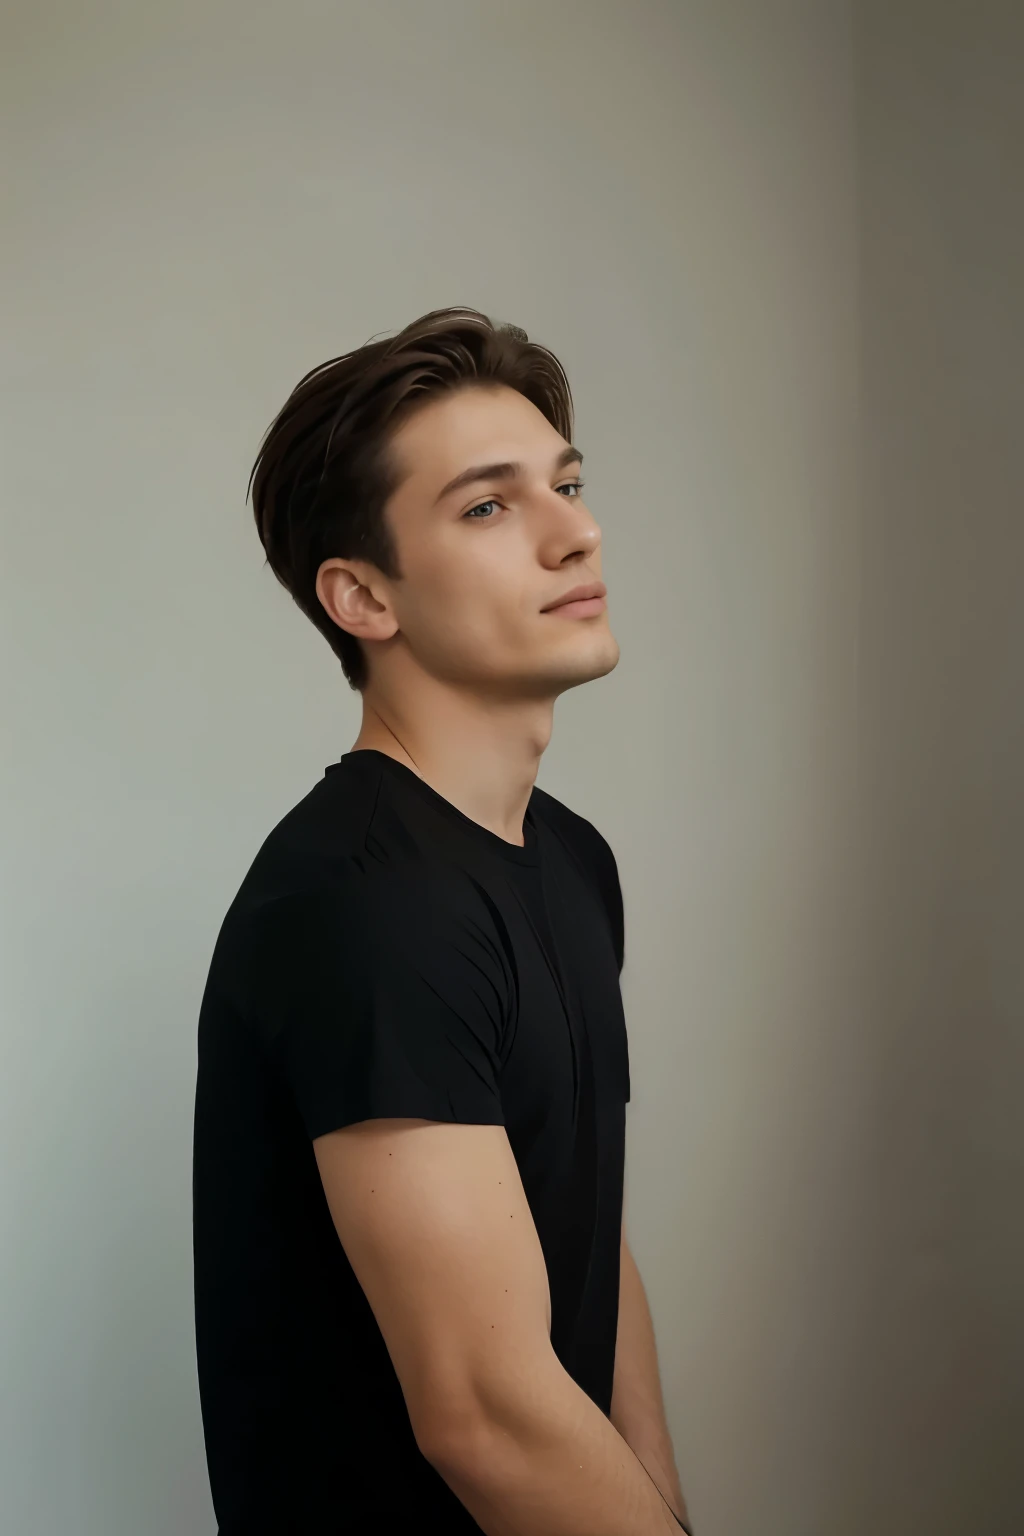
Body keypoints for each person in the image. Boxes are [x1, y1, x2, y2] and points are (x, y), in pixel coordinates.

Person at [192, 307, 692, 1535]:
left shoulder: (568, 860)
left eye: (566, 486)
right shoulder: (362, 906)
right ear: (362, 595)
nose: (576, 533)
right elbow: (482, 1413)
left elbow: (586, 1236)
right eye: (487, 507)